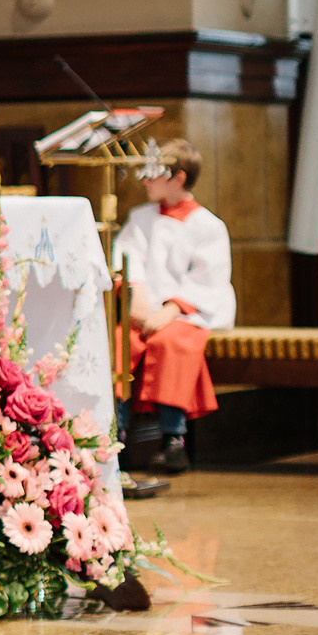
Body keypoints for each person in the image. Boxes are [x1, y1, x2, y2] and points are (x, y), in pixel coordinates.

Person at [112, 139, 233, 476]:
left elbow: (208, 278)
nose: (145, 181)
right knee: (121, 343)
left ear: (178, 178)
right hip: (142, 311)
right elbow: (127, 258)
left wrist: (169, 311)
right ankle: (115, 437)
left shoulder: (208, 226)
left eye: (154, 174)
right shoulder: (140, 218)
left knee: (171, 344)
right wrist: (136, 294)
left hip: (187, 313)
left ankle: (173, 440)